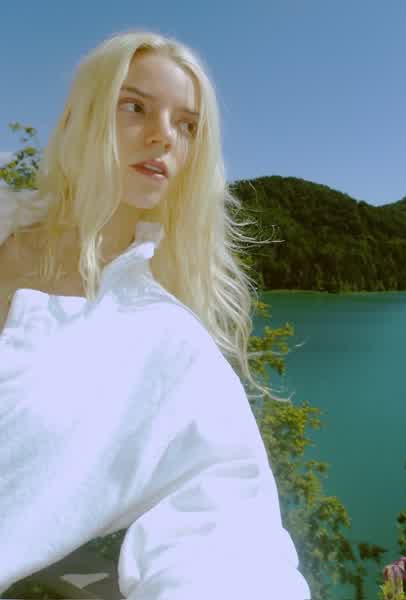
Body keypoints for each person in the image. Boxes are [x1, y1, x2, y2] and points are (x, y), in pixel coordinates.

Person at [0, 29, 311, 599]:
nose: (163, 135)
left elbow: (227, 536)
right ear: (80, 118)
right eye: (134, 107)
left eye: (186, 125)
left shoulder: (164, 340)